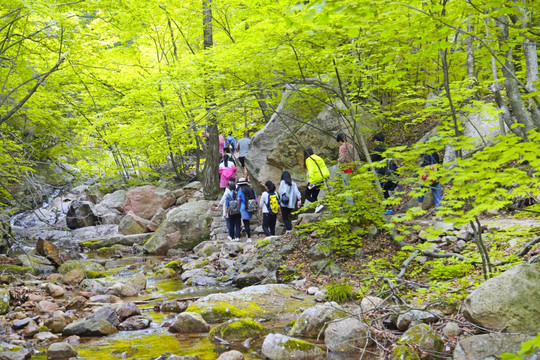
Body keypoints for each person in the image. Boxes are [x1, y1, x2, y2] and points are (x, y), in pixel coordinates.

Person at [371, 132, 398, 200]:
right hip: (392, 169)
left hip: (383, 171)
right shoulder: (386, 147)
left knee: (384, 189)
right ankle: (392, 198)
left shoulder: (377, 149)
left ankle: (389, 205)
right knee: (390, 186)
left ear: (376, 140)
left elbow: (373, 161)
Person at [237, 177, 257, 242]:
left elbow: (239, 200)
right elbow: (256, 198)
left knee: (246, 223)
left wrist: (238, 207)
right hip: (251, 206)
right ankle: (249, 237)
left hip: (244, 207)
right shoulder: (251, 189)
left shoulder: (240, 190)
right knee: (248, 222)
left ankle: (249, 237)